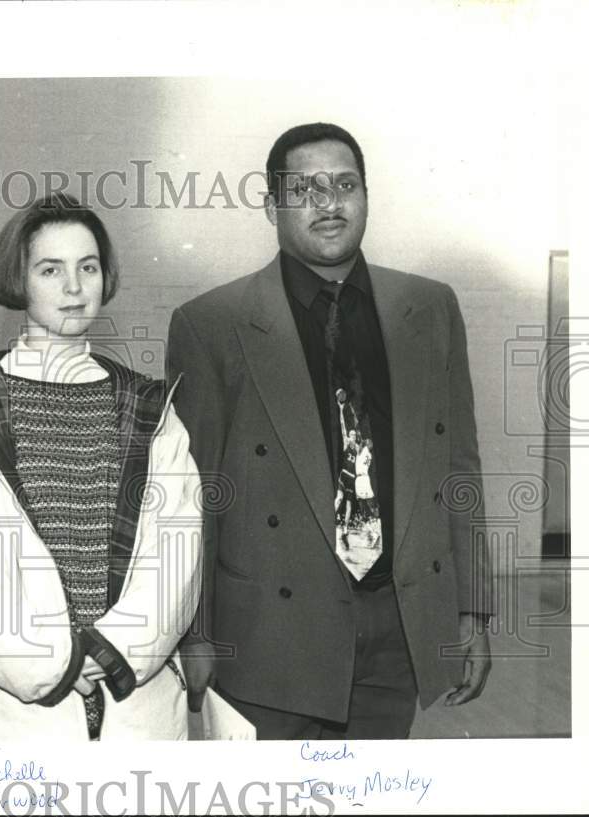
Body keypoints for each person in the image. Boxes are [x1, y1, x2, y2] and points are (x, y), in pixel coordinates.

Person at [167, 122, 493, 740]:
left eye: (344, 184)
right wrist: (196, 632)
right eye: (304, 188)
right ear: (271, 206)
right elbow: (196, 496)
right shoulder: (213, 323)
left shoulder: (429, 308)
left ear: (366, 196)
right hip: (269, 635)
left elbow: (459, 468)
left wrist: (472, 609)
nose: (328, 201)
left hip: (397, 628)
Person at [0, 193, 201, 741]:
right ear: (19, 280)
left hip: (134, 707)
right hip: (7, 715)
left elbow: (176, 548)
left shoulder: (149, 406)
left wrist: (113, 650)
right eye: (51, 270)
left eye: (87, 267)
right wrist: (54, 663)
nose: (74, 288)